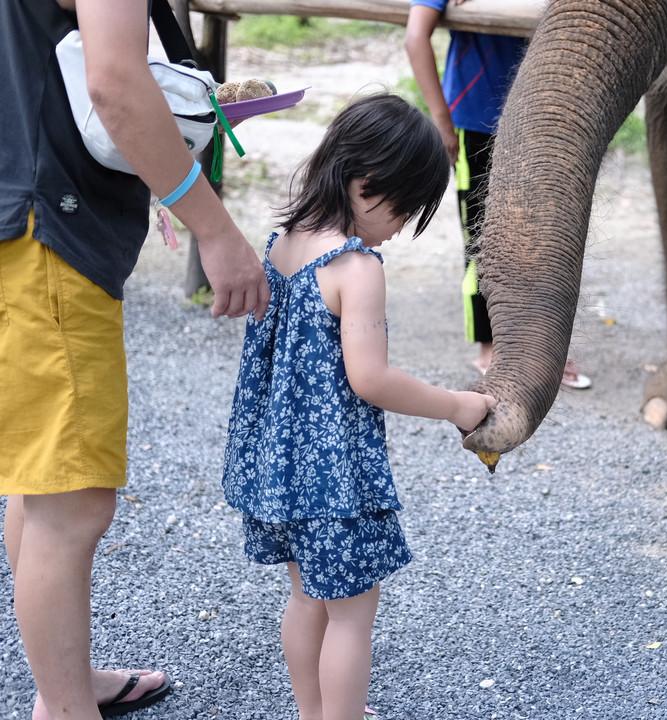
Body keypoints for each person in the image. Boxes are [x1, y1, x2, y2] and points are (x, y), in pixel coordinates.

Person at [0, 1, 269, 718]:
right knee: (72, 500)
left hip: (17, 207)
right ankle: (63, 709)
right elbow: (115, 84)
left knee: (40, 479)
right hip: (46, 224)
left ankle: (64, 683)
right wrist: (215, 228)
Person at [220, 93, 496, 720]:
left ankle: (311, 712)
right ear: (366, 187)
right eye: (404, 210)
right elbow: (369, 379)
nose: (400, 228)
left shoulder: (280, 244)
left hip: (276, 469)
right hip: (333, 480)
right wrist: (457, 404)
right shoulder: (356, 268)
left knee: (305, 599)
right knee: (351, 615)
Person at [404, 0, 592, 389]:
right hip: (474, 121)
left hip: (544, 117)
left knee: (545, 236)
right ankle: (490, 347)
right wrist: (440, 119)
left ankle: (543, 348)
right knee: (483, 239)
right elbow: (415, 37)